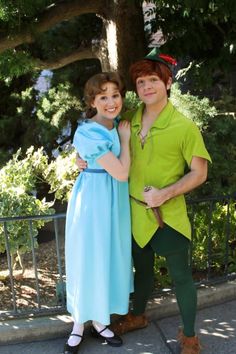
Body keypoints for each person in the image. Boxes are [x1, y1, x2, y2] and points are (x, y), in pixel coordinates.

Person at [77, 49, 211, 354]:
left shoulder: (184, 127)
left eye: (153, 79)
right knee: (142, 272)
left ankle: (189, 337)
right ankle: (137, 316)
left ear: (167, 83)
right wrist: (80, 158)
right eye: (140, 82)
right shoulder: (129, 119)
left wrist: (165, 194)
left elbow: (199, 173)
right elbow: (98, 139)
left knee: (181, 278)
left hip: (168, 216)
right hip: (133, 215)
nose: (146, 86)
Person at [64, 72, 133, 353]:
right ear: (92, 101)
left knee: (107, 260)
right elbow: (120, 172)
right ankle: (78, 325)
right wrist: (125, 141)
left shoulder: (114, 124)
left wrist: (82, 158)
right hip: (93, 202)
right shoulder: (88, 131)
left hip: (113, 202)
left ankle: (101, 321)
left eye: (114, 95)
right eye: (103, 96)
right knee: (87, 260)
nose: (110, 101)